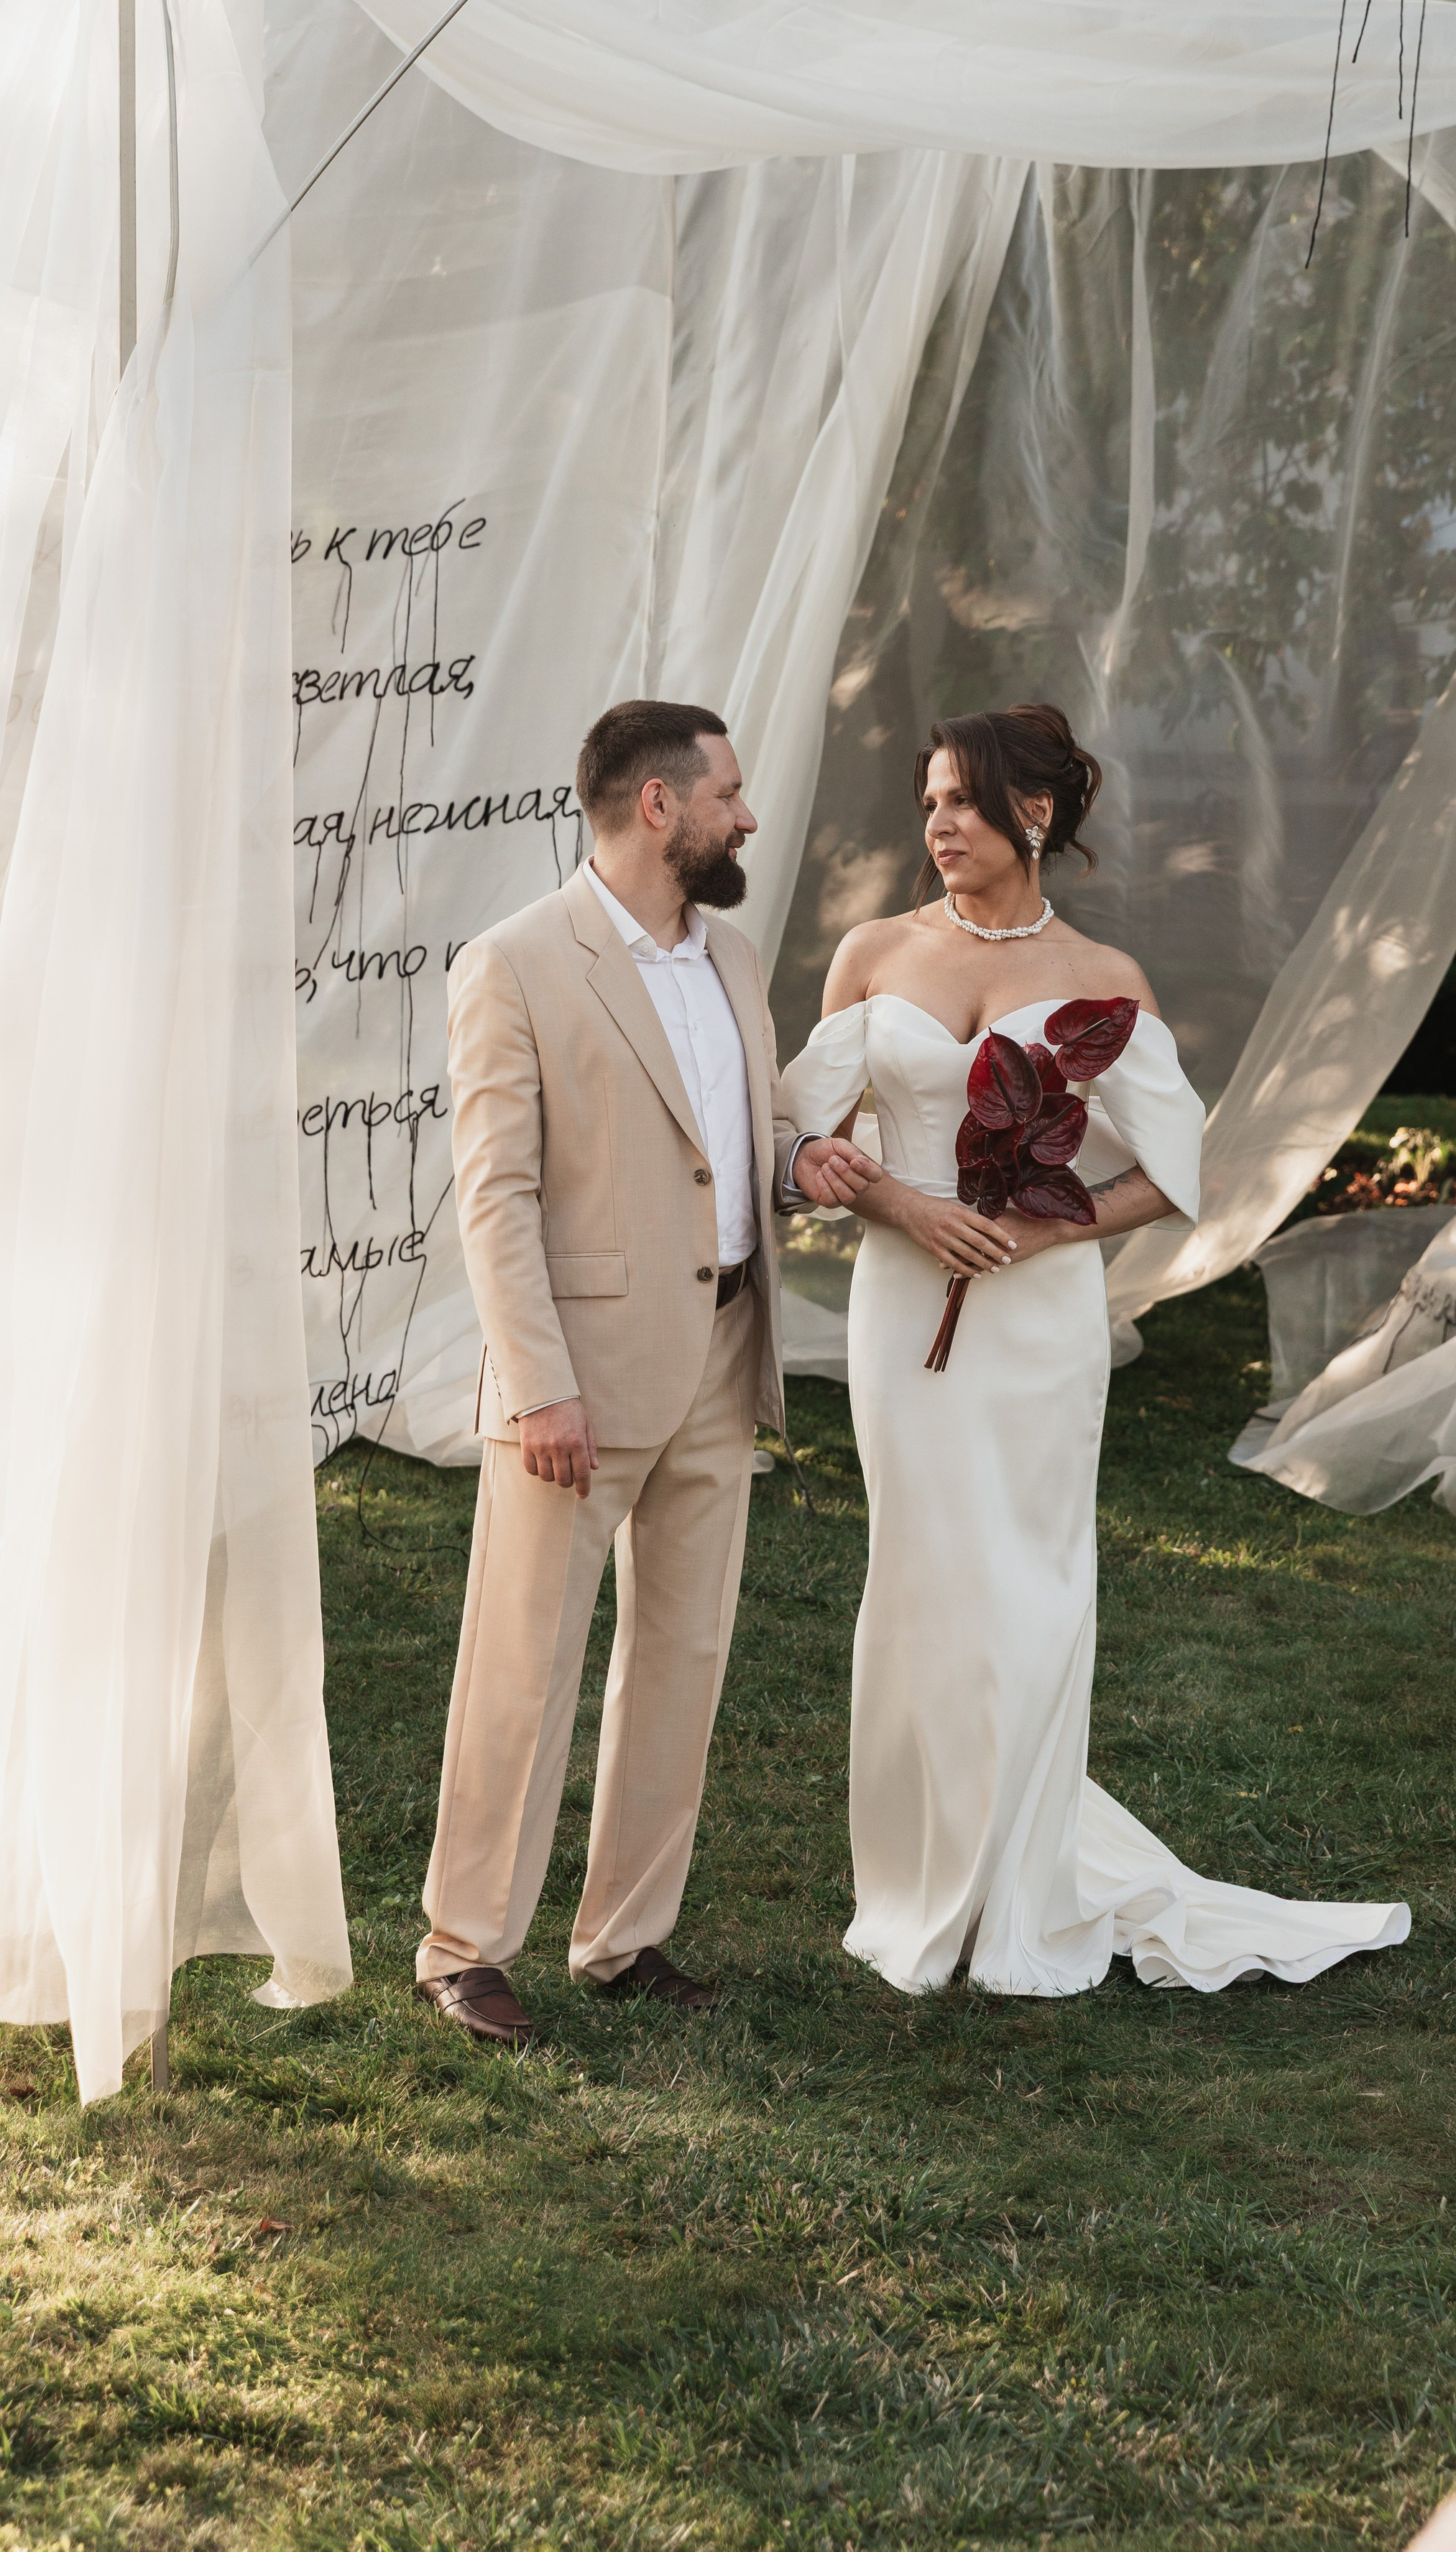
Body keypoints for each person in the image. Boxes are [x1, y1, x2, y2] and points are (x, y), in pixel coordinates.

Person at [777, 702, 1411, 1996]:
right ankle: (918, 1878)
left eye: (962, 801)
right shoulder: (873, 953)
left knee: (1034, 1583)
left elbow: (1173, 1176)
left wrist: (1030, 1222)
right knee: (923, 1575)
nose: (939, 825)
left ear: (1038, 815)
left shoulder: (1105, 979)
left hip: (1036, 1320)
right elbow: (798, 1146)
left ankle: (1018, 1879)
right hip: (909, 1312)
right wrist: (893, 1199)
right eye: (931, 802)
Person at [415, 699, 878, 2047]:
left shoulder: (731, 952)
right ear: (658, 807)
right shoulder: (513, 965)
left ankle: (624, 1939)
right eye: (728, 792)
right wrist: (539, 1384)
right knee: (523, 1662)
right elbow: (494, 1199)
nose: (748, 814)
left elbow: (743, 1132)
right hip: (580, 1380)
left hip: (723, 1356)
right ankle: (464, 1947)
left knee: (682, 1656)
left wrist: (799, 1164)